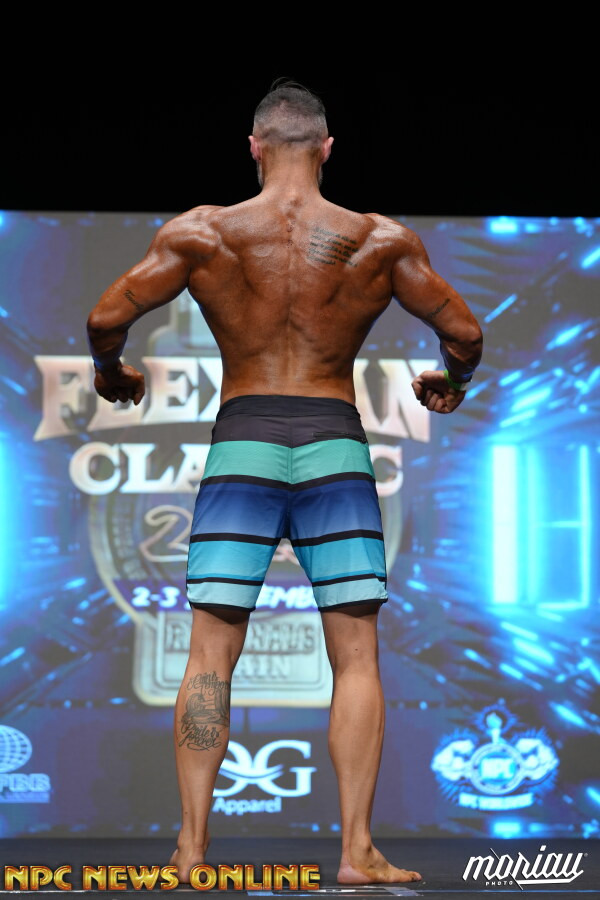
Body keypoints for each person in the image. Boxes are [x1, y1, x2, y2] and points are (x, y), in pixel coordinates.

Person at [87, 79, 483, 885]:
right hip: (334, 445)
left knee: (209, 653)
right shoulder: (379, 240)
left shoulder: (205, 232)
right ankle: (356, 852)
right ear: (328, 149)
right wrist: (451, 383)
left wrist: (111, 374)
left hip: (245, 445)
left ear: (255, 147)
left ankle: (191, 850)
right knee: (357, 656)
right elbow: (466, 332)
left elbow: (104, 319)